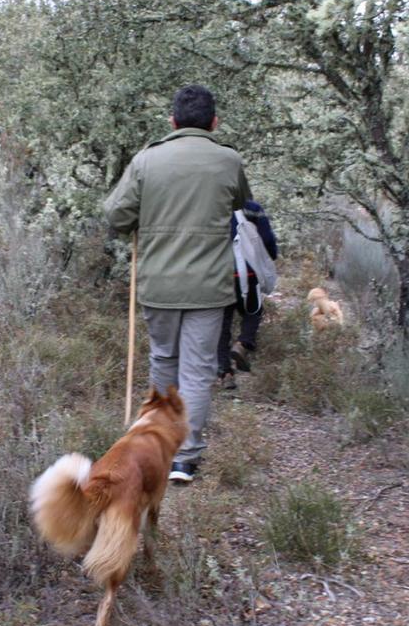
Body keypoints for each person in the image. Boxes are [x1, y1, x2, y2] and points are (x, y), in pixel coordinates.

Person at [104, 85, 250, 484]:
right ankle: (185, 459)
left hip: (159, 283)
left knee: (164, 360)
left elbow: (116, 216)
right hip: (209, 287)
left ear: (172, 121)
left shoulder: (147, 160)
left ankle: (159, 447)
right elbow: (240, 203)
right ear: (214, 122)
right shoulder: (229, 160)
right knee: (199, 371)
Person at [217, 199, 278, 390]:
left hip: (219, 275)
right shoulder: (251, 208)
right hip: (247, 273)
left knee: (222, 325)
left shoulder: (210, 204)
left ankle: (225, 373)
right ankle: (243, 343)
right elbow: (266, 239)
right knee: (253, 311)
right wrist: (270, 256)